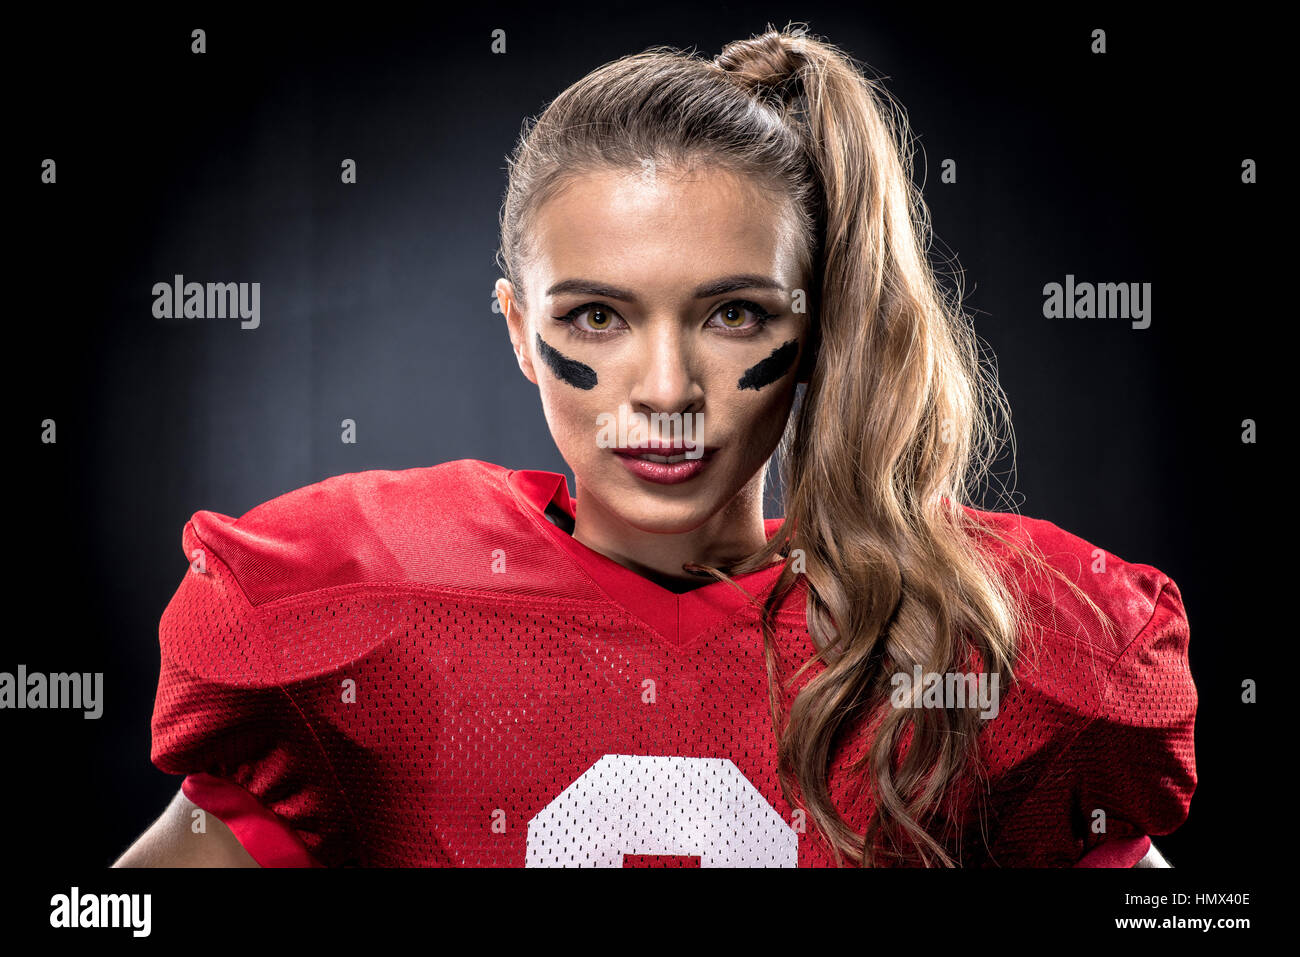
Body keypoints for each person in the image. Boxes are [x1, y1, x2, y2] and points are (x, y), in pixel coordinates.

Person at [115, 25, 1195, 868]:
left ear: (814, 327)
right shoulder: (364, 617)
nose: (667, 389)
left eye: (733, 315)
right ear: (517, 332)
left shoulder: (971, 638)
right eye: (597, 317)